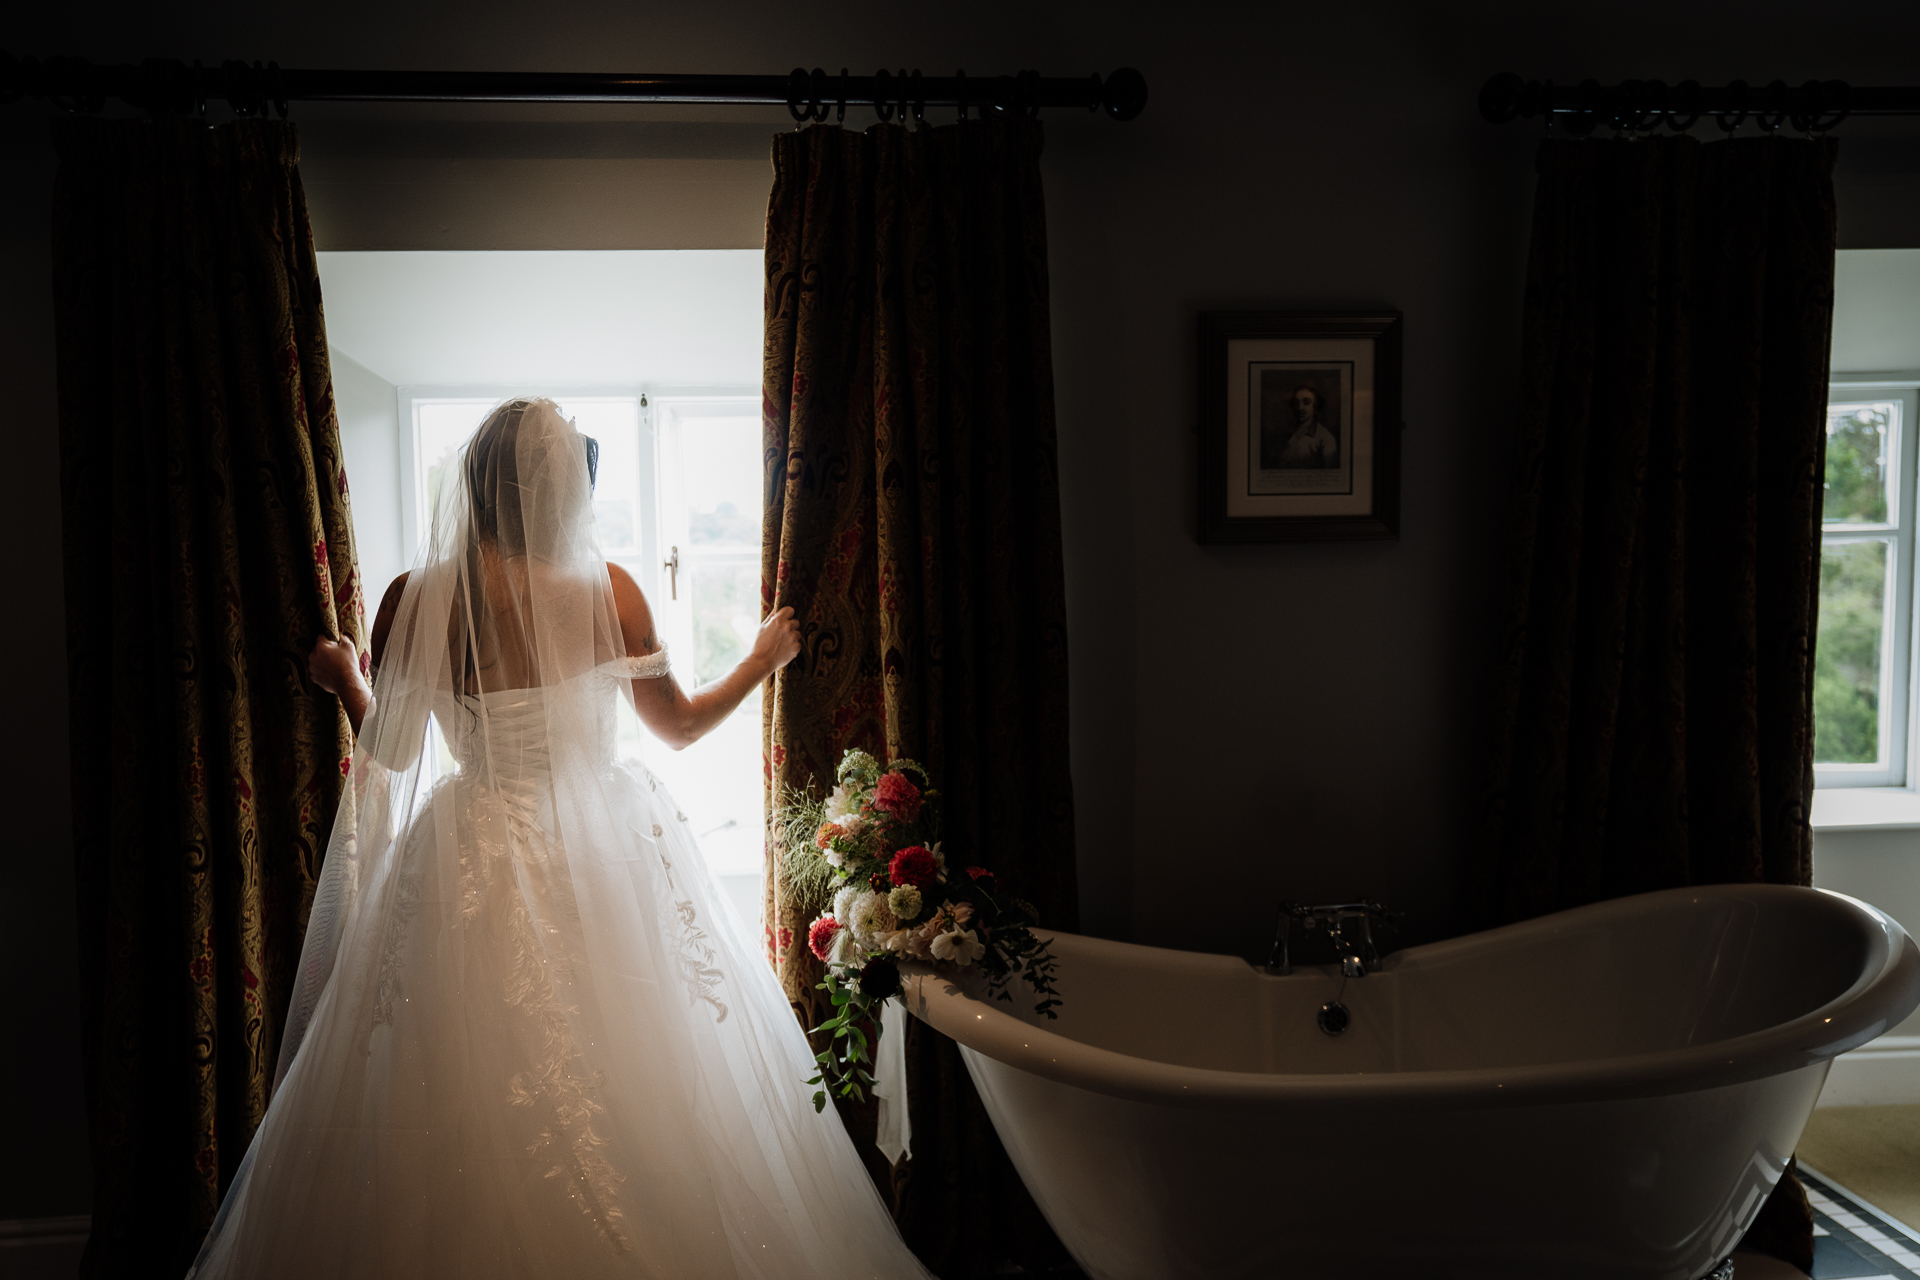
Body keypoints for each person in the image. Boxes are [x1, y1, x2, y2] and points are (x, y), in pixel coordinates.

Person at [187, 398, 933, 1279]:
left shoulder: (417, 597)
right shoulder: (609, 591)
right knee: (631, 1076)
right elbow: (683, 729)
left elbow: (387, 749)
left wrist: (348, 674)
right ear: (563, 494)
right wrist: (762, 661)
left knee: (463, 1081)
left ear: (475, 486)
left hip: (469, 847)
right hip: (603, 853)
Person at [1274, 385, 1340, 469]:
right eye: (1296, 403)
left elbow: (1330, 473)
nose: (1300, 408)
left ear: (1315, 407)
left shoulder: (1326, 438)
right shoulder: (1288, 435)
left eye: (1306, 402)